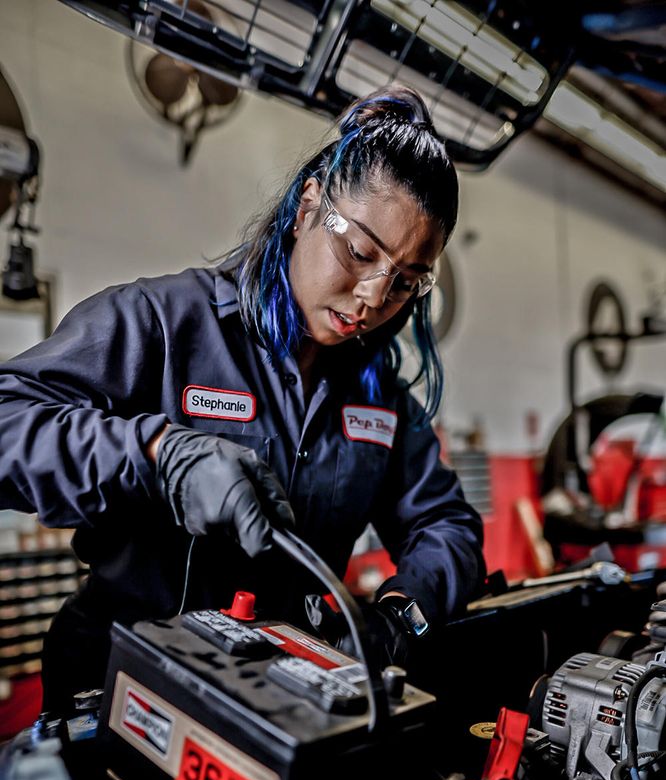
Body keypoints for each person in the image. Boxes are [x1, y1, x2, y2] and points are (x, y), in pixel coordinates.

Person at [0, 86, 485, 714]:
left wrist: (400, 614)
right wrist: (160, 454)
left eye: (404, 282)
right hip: (125, 692)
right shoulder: (165, 324)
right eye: (360, 253)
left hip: (289, 701)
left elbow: (446, 523)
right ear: (308, 206)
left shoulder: (378, 396)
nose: (372, 296)